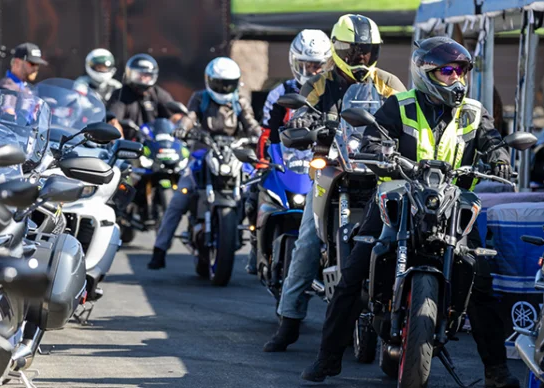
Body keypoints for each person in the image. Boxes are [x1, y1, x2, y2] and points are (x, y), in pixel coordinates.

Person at [300, 36, 519, 388]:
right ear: (425, 72)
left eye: (461, 71)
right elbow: (373, 135)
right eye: (447, 71)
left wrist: (501, 158)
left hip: (454, 201)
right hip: (398, 195)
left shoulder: (474, 113)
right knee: (354, 274)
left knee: (480, 280)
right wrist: (375, 148)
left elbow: (493, 141)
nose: (456, 78)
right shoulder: (399, 105)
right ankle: (327, 358)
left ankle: (496, 370)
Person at [263, 14, 406, 353]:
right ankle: (289, 320)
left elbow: (407, 112)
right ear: (339, 49)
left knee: (401, 233)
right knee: (308, 240)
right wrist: (306, 123)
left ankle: (400, 310)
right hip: (331, 168)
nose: (361, 59)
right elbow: (300, 112)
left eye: (367, 52)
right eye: (354, 51)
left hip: (377, 172)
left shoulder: (388, 83)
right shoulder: (319, 83)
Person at [148, 57, 261, 269]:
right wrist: (183, 127)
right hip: (203, 151)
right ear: (210, 81)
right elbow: (189, 117)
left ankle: (258, 255)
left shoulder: (240, 101)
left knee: (256, 193)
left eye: (228, 83)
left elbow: (251, 122)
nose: (224, 88)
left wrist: (260, 135)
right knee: (179, 197)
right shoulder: (200, 98)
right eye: (220, 83)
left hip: (235, 153)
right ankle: (159, 250)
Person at [244, 29, 332, 274]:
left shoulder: (330, 91)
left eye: (316, 66)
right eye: (305, 66)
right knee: (252, 192)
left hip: (321, 161)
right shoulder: (280, 92)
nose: (311, 72)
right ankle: (255, 247)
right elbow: (268, 133)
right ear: (295, 63)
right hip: (288, 160)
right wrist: (263, 160)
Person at [108, 53, 181, 141]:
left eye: (147, 75)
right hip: (130, 147)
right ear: (130, 73)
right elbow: (112, 121)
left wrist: (179, 128)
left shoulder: (158, 93)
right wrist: (119, 141)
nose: (143, 78)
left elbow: (175, 117)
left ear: (153, 76)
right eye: (139, 74)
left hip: (155, 145)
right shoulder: (120, 94)